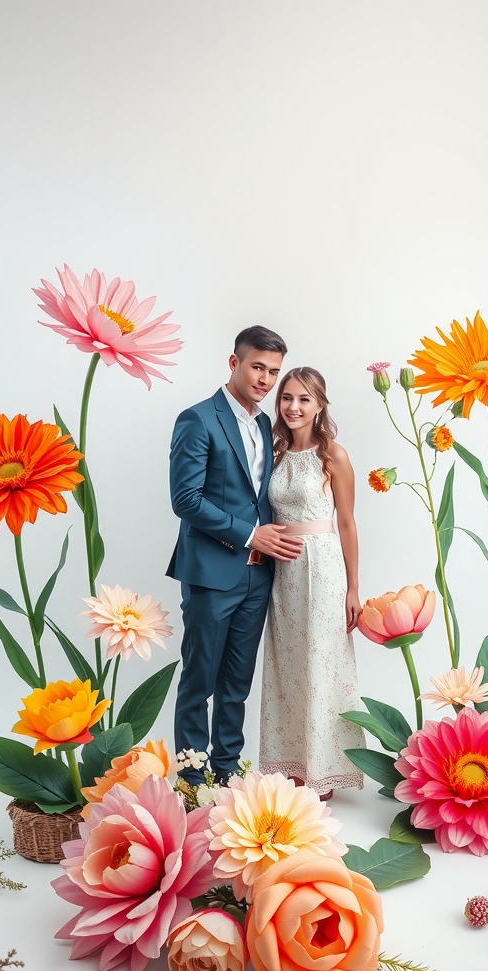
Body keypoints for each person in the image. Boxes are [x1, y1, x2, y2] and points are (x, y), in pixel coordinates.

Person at [167, 326, 303, 786]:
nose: (266, 379)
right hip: (210, 572)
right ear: (234, 363)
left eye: (273, 371)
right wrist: (251, 536)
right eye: (257, 367)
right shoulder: (198, 419)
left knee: (237, 685)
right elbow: (185, 500)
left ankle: (226, 774)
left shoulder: (266, 423)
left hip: (258, 577)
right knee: (199, 680)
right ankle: (191, 779)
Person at [259, 366, 365, 800]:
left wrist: (353, 588)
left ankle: (324, 770)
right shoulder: (274, 452)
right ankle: (292, 766)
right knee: (287, 668)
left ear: (320, 404)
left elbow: (346, 522)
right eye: (287, 398)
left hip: (321, 569)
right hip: (282, 572)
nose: (294, 407)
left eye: (304, 399)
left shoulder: (333, 455)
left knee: (322, 665)